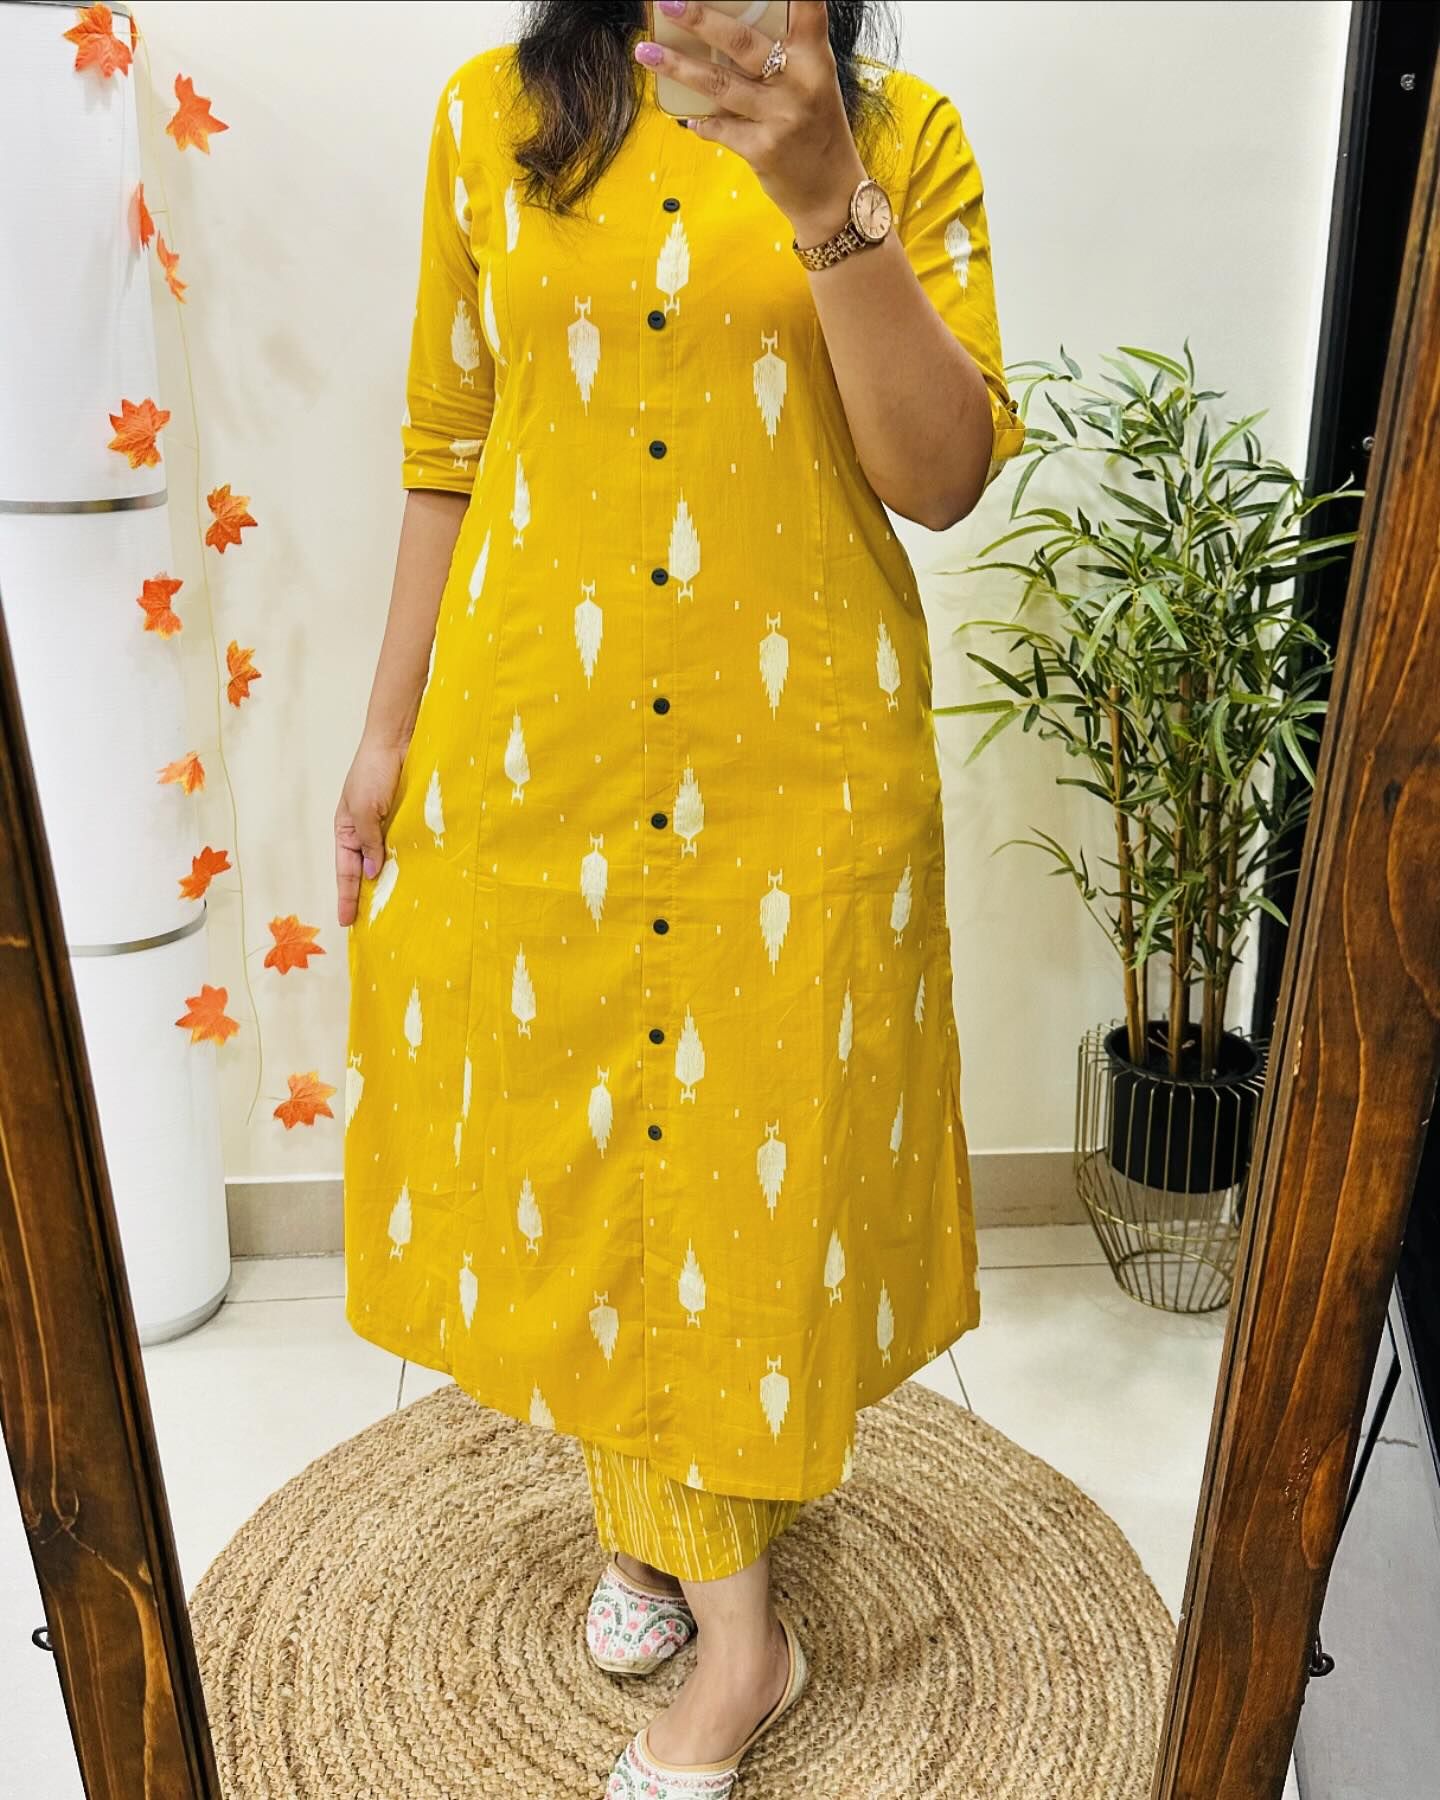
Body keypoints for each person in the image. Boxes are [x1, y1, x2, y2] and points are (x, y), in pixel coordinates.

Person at [336, 2, 1025, 1792]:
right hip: (542, 756)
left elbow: (943, 477)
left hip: (792, 772)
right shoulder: (488, 120)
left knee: (743, 1182)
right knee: (587, 1154)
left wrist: (826, 201)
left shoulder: (902, 137)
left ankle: (739, 1651)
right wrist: (385, 734)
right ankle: (677, 1550)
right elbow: (448, 447)